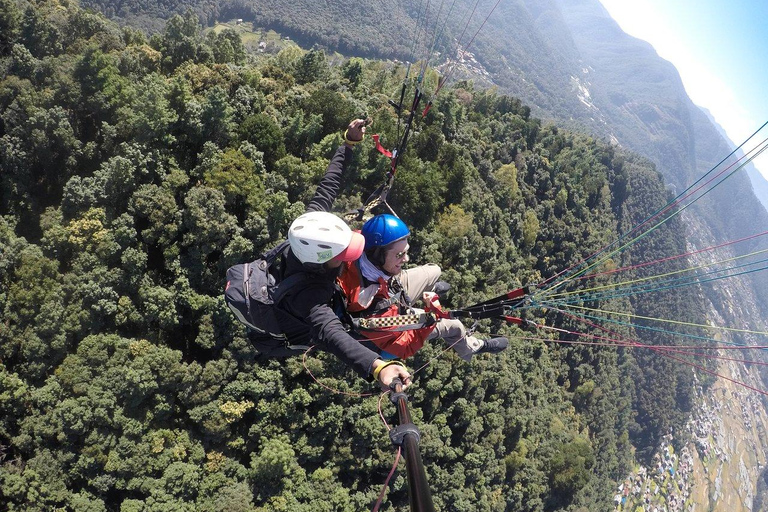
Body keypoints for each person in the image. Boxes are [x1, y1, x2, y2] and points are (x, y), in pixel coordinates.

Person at [249, 120, 411, 389]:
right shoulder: (309, 298)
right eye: (343, 254)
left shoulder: (310, 230)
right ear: (322, 262)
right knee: (362, 333)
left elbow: (328, 185)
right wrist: (377, 367)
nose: (349, 256)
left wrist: (348, 143)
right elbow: (333, 334)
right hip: (304, 322)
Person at [337, 213, 509, 360]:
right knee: (455, 326)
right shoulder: (375, 314)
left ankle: (424, 294)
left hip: (386, 283)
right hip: (388, 328)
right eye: (399, 255)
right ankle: (474, 347)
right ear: (377, 255)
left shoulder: (357, 247)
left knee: (435, 270)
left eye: (406, 251)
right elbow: (406, 347)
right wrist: (431, 315)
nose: (406, 259)